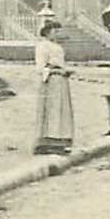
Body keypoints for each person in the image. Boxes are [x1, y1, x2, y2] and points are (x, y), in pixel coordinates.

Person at [33, 20, 74, 155]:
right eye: (54, 31)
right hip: (50, 81)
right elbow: (41, 67)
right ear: (47, 32)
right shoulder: (42, 46)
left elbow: (60, 63)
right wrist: (56, 71)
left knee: (61, 109)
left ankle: (60, 140)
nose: (57, 34)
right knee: (51, 109)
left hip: (61, 81)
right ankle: (47, 142)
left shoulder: (57, 46)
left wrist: (64, 71)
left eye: (58, 31)